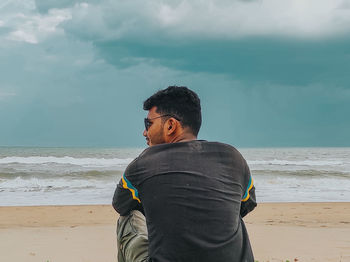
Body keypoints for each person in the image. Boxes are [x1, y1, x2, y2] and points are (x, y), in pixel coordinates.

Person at [112, 86, 257, 262]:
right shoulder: (233, 157)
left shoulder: (144, 163)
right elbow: (246, 205)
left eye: (148, 124)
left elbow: (121, 205)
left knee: (128, 219)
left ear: (171, 125)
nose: (145, 132)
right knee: (232, 214)